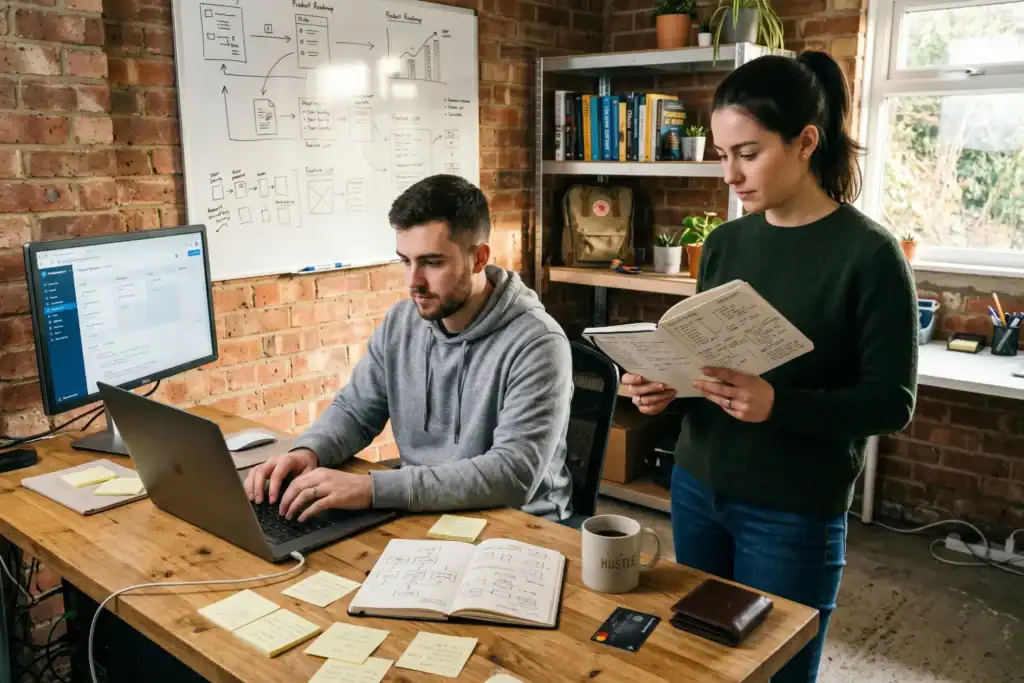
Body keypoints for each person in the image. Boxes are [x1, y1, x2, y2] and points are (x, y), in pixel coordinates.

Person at [622, 52, 917, 683]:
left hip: (793, 508)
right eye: (722, 153)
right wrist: (664, 389)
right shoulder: (727, 242)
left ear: (806, 141)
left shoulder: (869, 255)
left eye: (747, 153)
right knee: (702, 661)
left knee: (777, 669)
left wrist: (779, 404)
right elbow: (710, 368)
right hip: (698, 487)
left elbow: (891, 403)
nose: (729, 173)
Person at [244, 174, 574, 523]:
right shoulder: (402, 322)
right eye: (405, 261)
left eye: (432, 263)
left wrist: (371, 489)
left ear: (478, 258)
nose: (413, 282)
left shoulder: (538, 343)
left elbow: (513, 475)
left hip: (521, 524)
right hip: (426, 511)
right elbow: (356, 410)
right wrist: (309, 450)